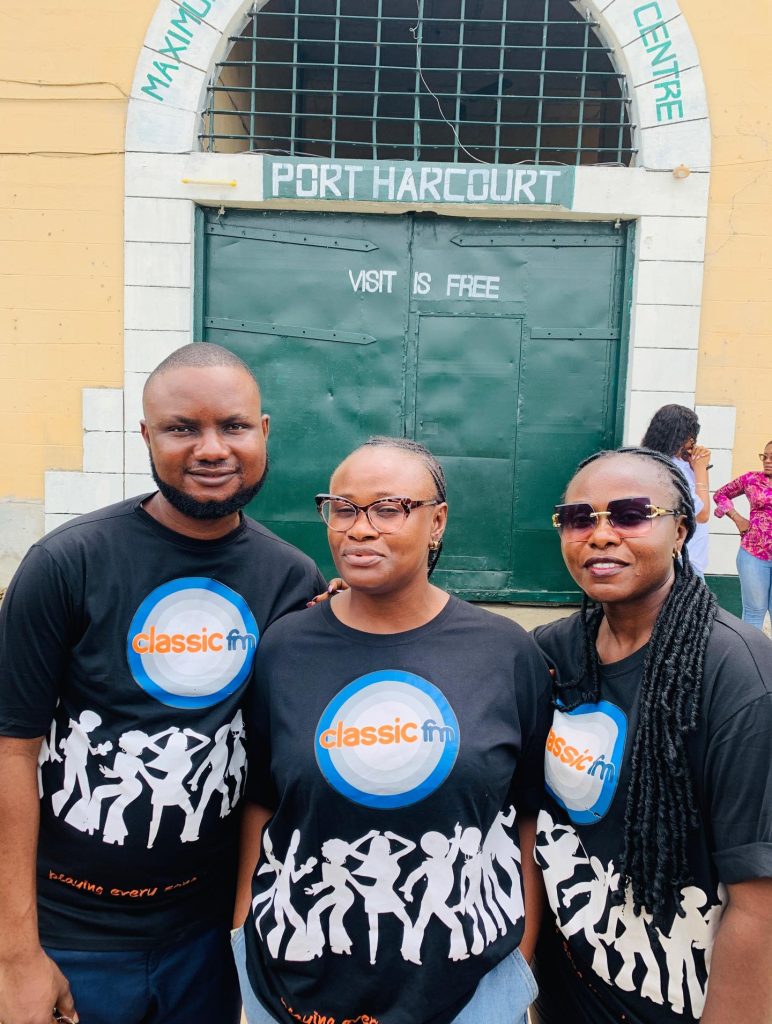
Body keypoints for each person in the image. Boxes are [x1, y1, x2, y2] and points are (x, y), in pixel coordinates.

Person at [0, 343, 325, 1024]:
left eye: (233, 426)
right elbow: (10, 752)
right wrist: (16, 954)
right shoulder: (67, 563)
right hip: (69, 935)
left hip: (205, 940)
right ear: (146, 435)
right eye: (182, 428)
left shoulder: (292, 579)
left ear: (263, 432)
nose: (212, 449)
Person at [232, 437, 552, 1024]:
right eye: (343, 508)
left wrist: (520, 960)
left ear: (438, 522)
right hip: (294, 984)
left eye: (389, 508)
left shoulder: (504, 652)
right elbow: (262, 799)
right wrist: (241, 929)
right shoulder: (285, 647)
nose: (360, 528)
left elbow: (528, 812)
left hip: (470, 990)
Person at [530, 447, 772, 1024]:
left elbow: (760, 907)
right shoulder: (550, 652)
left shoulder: (737, 674)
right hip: (567, 993)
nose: (600, 535)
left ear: (680, 530)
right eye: (579, 518)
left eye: (631, 515)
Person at [641, 404, 711, 577]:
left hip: (687, 557)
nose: (693, 442)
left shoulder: (654, 462)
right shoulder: (671, 469)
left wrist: (696, 468)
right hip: (682, 561)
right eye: (691, 436)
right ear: (680, 436)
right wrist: (701, 469)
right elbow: (702, 515)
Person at [713, 440, 772, 629]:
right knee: (754, 611)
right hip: (753, 554)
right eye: (764, 457)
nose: (767, 461)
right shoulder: (751, 479)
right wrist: (737, 518)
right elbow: (720, 495)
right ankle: (750, 649)